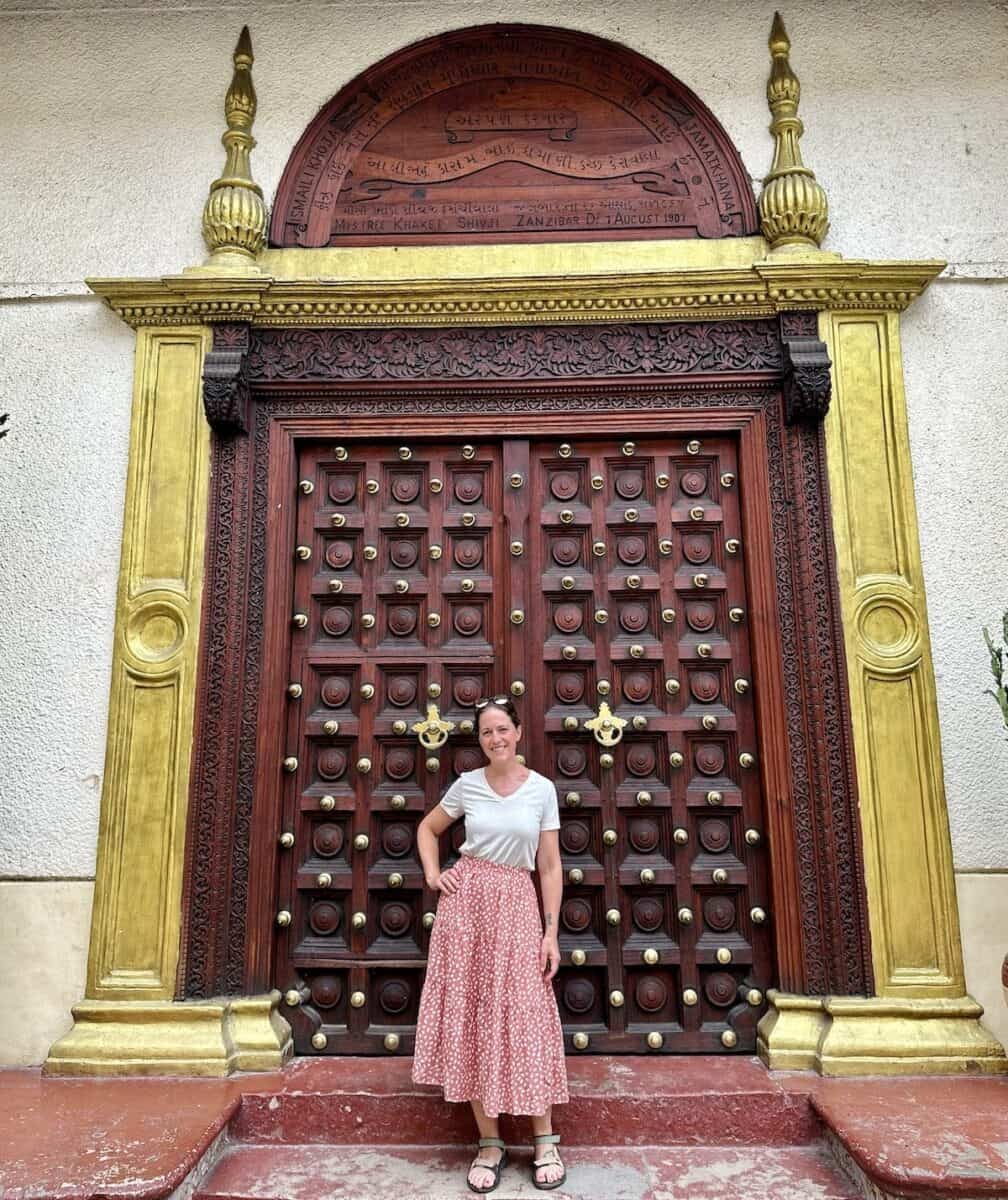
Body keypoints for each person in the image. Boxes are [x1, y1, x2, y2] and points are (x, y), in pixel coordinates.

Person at [412, 695, 570, 1193]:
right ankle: (490, 1142)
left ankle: (545, 1139)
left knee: (525, 1015)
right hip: (467, 908)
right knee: (475, 1017)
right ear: (479, 741)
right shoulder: (468, 786)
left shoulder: (542, 790)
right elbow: (429, 828)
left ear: (518, 733)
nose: (495, 739)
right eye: (486, 733)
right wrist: (436, 875)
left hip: (518, 906)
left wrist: (550, 932)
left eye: (502, 729)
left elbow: (548, 866)